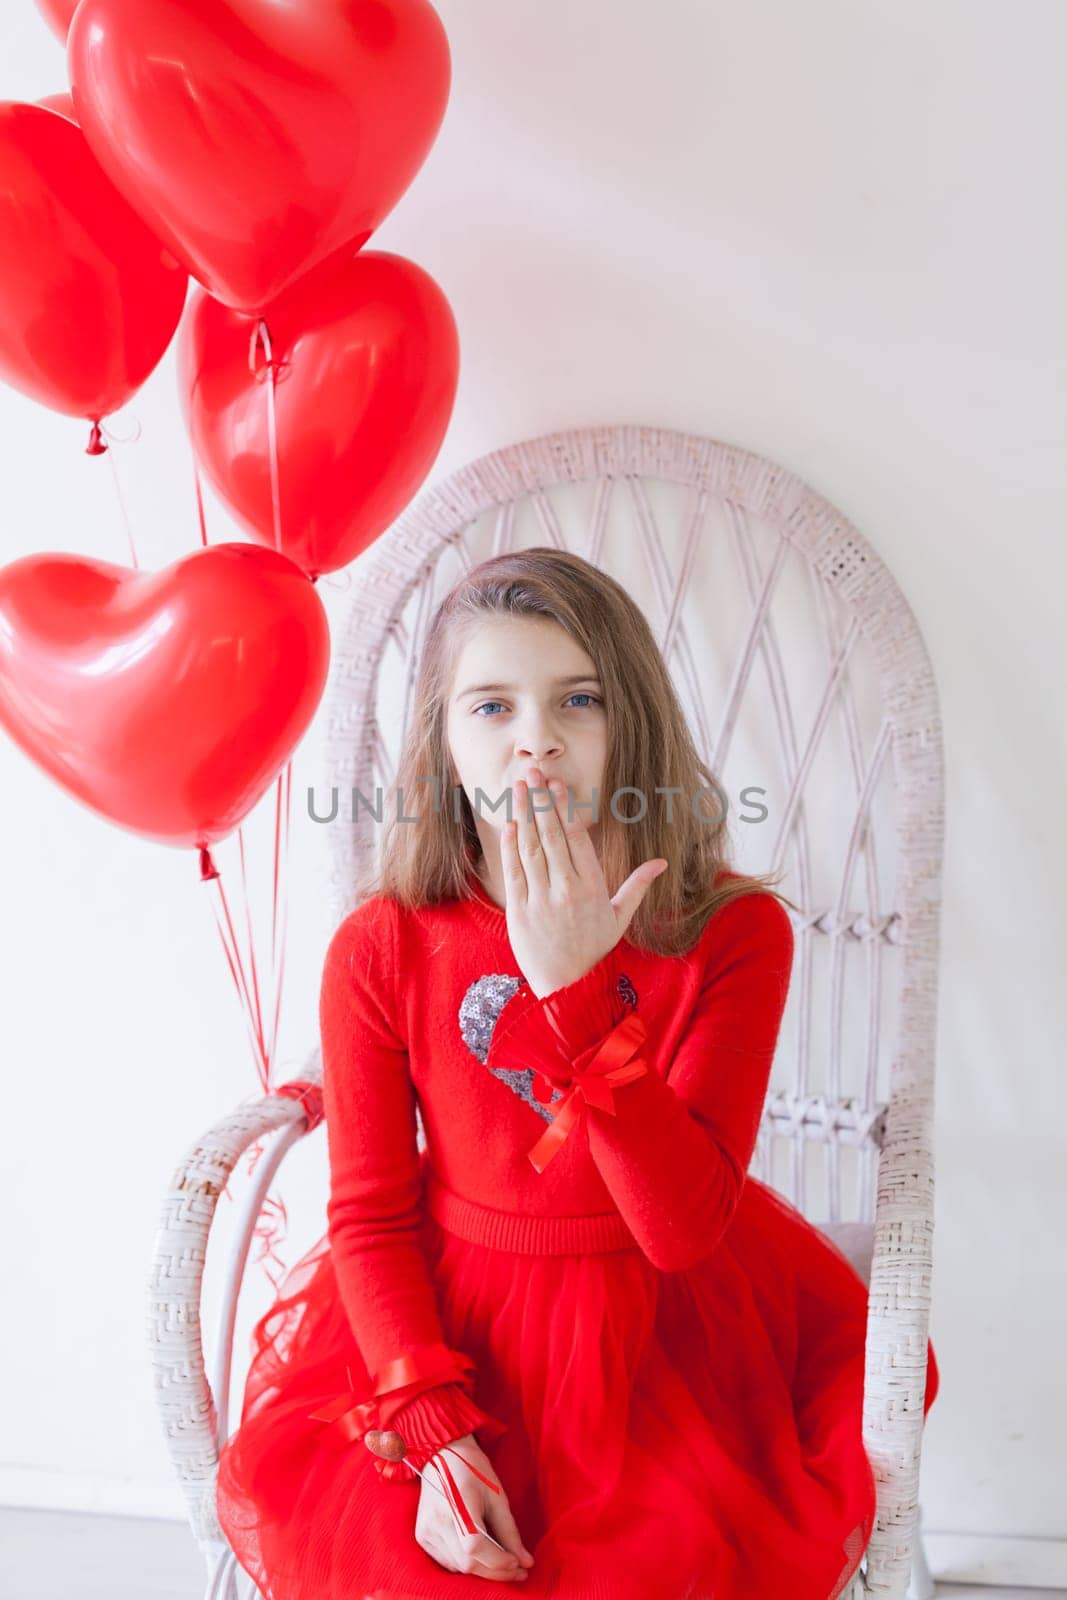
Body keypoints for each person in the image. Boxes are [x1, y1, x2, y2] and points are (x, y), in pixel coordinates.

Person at [215, 547, 940, 1600]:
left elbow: (681, 1226)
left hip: (672, 1342)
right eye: (491, 706)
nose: (536, 739)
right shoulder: (382, 945)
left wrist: (574, 991)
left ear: (628, 720)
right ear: (444, 743)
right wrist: (432, 1434)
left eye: (578, 699)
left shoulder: (732, 931)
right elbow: (368, 1215)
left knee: (654, 1562)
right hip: (447, 1336)